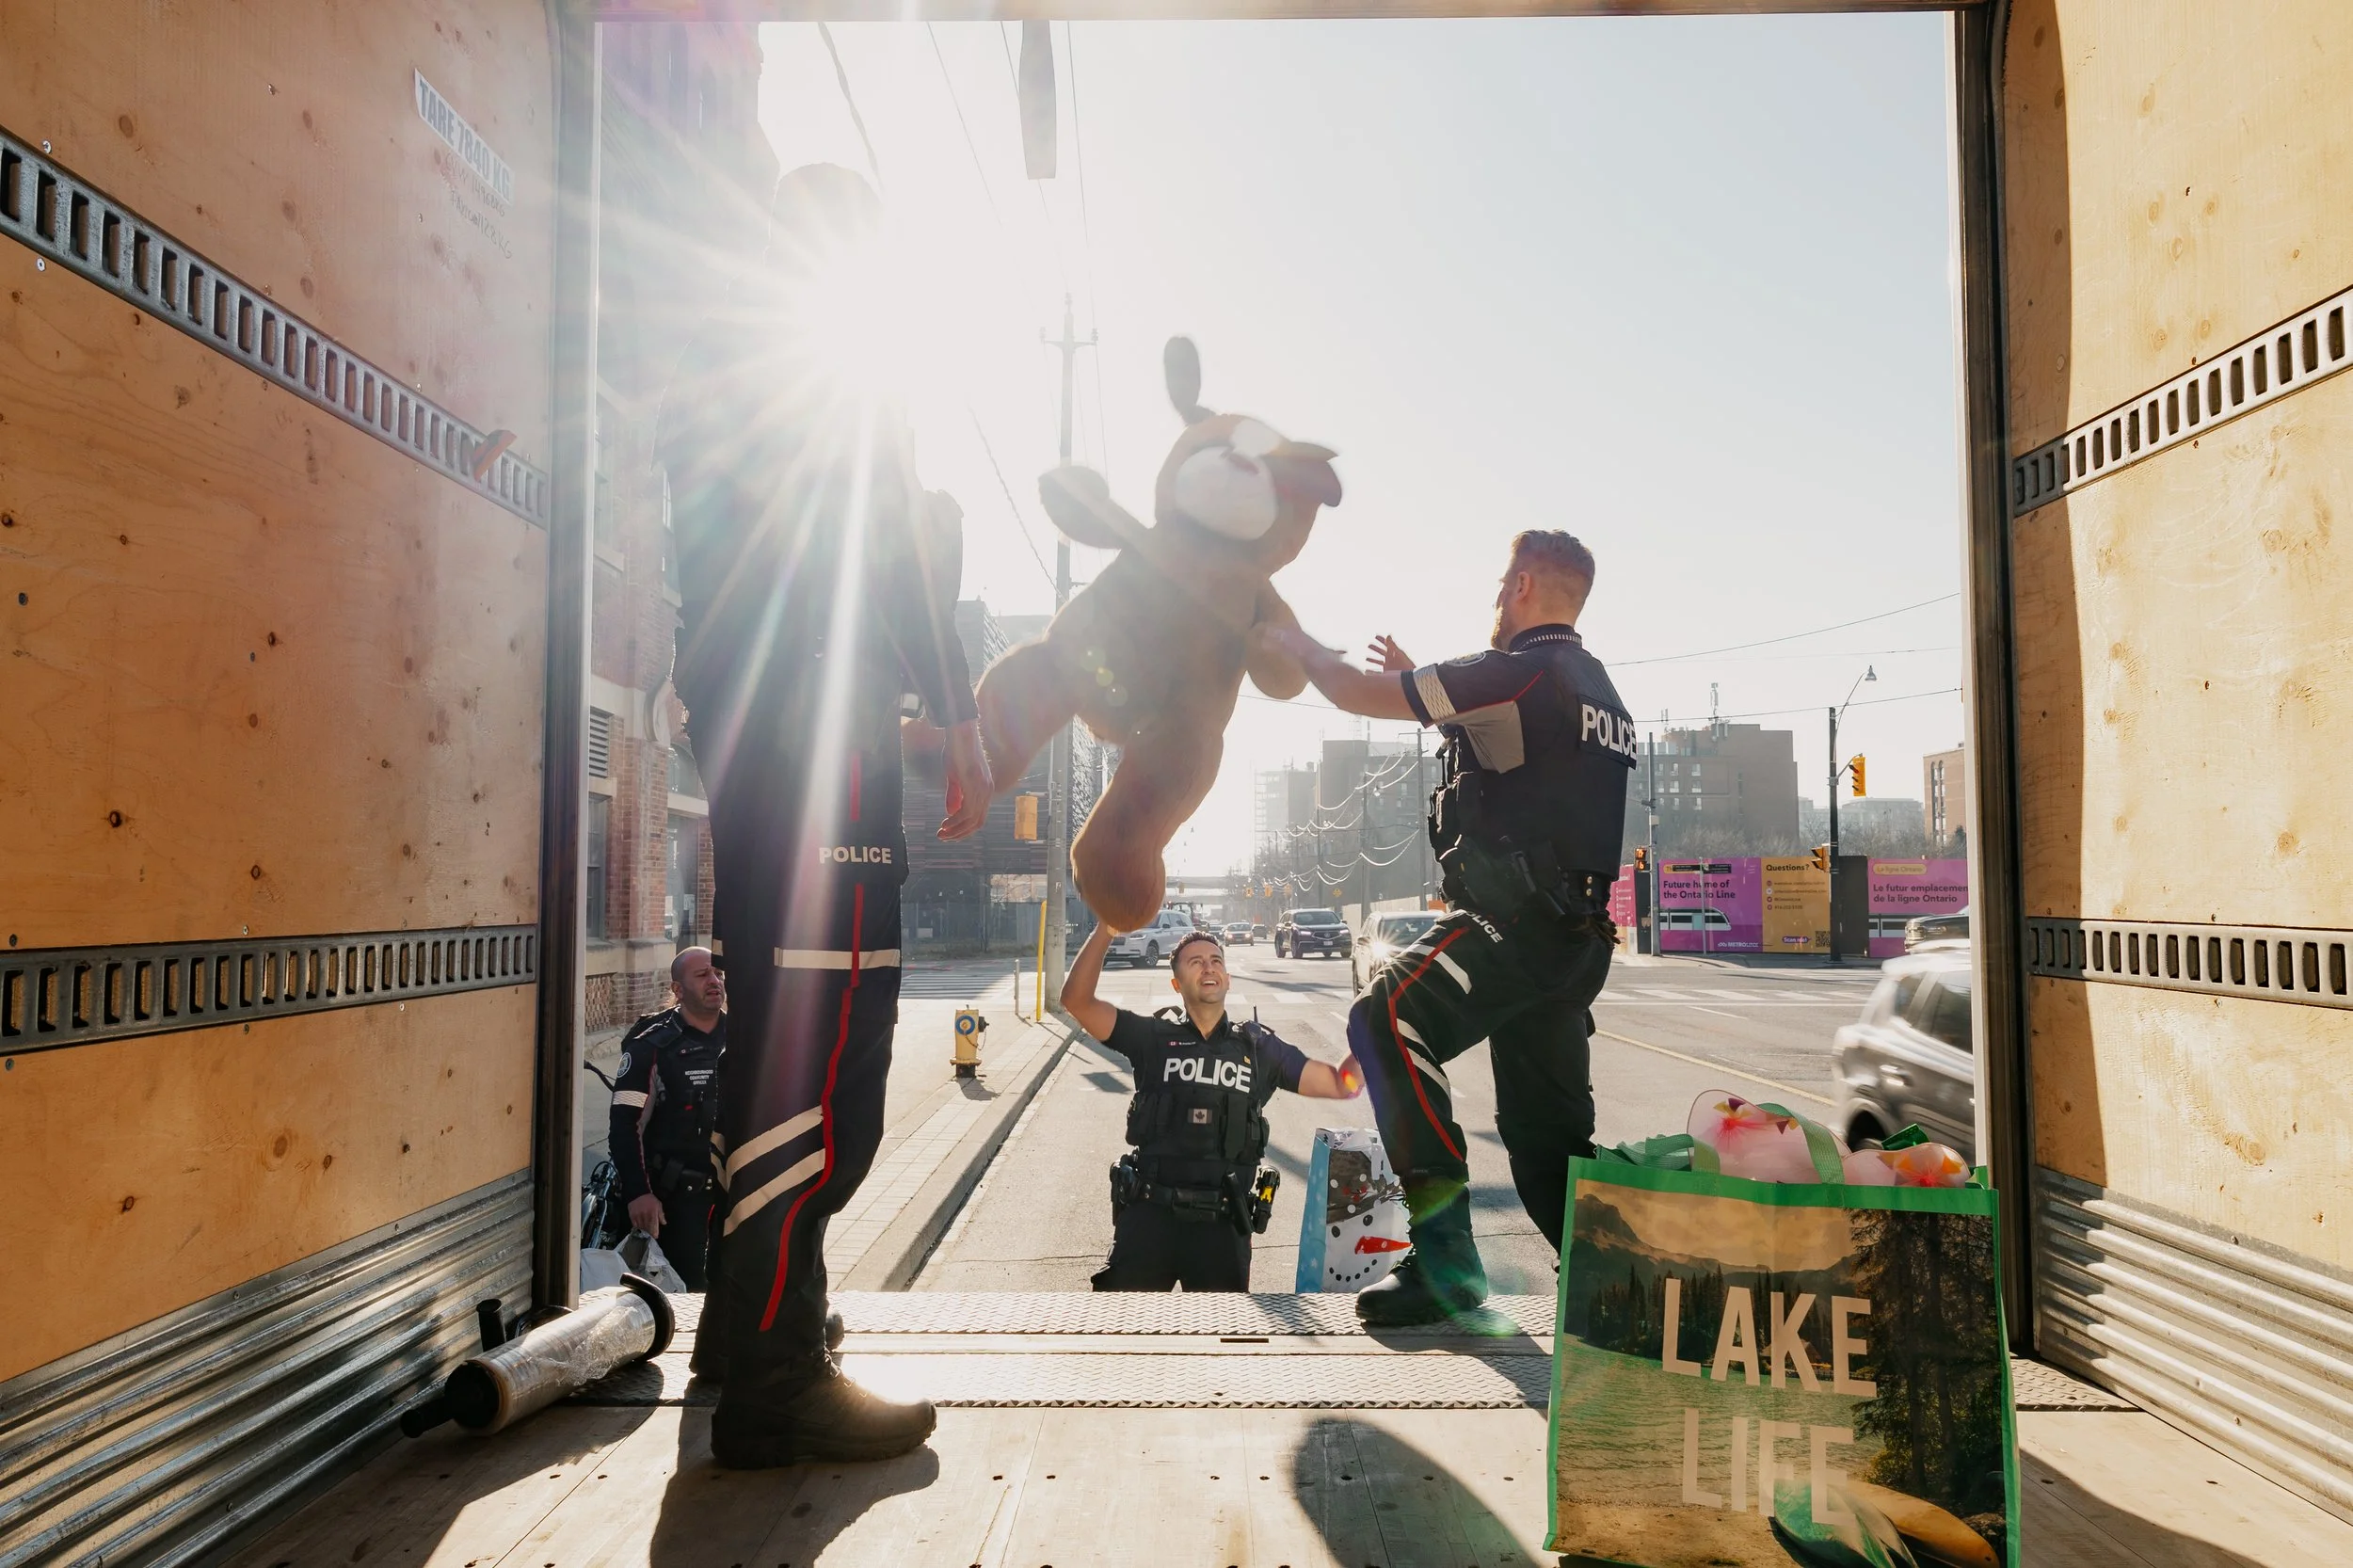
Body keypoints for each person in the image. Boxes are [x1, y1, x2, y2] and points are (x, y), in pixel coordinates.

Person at [657, 164, 992, 1467]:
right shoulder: (837, 371)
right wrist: (959, 713)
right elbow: (894, 548)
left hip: (760, 738)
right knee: (828, 1069)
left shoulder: (717, 356)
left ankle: (750, 1331)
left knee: (774, 1051)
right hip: (822, 737)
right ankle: (777, 1370)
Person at [1257, 530, 1633, 1324]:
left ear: (1522, 585)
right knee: (1545, 1138)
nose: (1496, 599)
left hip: (1516, 925)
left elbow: (1351, 692)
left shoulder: (1512, 669)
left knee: (1384, 1015)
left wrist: (1291, 637)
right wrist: (1429, 696)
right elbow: (1523, 761)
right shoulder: (1597, 689)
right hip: (1577, 942)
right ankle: (1621, 1289)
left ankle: (1446, 1270)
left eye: (1501, 584)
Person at [1061, 923, 1365, 1290]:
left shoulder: (1259, 1048)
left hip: (1223, 1227)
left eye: (1216, 960)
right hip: (1149, 1218)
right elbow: (1077, 1001)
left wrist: (1374, 1021)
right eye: (1196, 962)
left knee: (1222, 1328)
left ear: (1228, 979)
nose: (1208, 967)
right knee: (1123, 1324)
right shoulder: (1151, 1037)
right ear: (1176, 984)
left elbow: (1341, 1084)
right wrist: (1107, 929)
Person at [607, 947, 728, 1288]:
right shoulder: (650, 1047)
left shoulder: (748, 1039)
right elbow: (625, 1125)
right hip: (675, 1203)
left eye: (718, 974)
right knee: (684, 1296)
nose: (714, 981)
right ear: (678, 989)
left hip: (734, 1197)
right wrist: (638, 1193)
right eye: (702, 975)